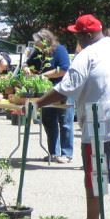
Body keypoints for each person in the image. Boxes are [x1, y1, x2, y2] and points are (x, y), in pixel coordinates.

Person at [34, 14, 110, 219]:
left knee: (96, 171)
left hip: (102, 120)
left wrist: (37, 103)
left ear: (86, 35)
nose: (76, 38)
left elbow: (65, 88)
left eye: (77, 34)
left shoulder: (87, 54)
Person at [29, 30, 74, 163]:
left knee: (65, 122)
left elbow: (64, 70)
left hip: (62, 90)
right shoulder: (38, 52)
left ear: (45, 40)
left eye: (37, 41)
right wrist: (27, 68)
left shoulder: (59, 50)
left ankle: (66, 154)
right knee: (48, 122)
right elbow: (29, 64)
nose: (36, 44)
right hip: (46, 91)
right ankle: (54, 152)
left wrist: (44, 75)